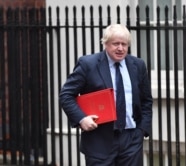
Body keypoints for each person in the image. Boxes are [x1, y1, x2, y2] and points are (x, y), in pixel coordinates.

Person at [59, 24, 152, 166]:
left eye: (124, 44)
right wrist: (82, 119)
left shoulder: (138, 65)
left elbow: (146, 100)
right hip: (99, 141)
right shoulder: (88, 64)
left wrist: (141, 131)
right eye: (116, 44)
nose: (120, 48)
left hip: (131, 139)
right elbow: (66, 95)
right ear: (105, 43)